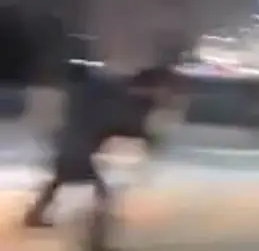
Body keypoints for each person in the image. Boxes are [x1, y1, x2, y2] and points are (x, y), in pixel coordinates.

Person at [24, 63, 176, 235]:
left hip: (71, 145)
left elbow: (114, 121)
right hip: (78, 148)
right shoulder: (117, 99)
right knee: (101, 193)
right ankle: (96, 235)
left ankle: (35, 215)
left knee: (61, 179)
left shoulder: (109, 94)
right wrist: (146, 135)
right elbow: (118, 124)